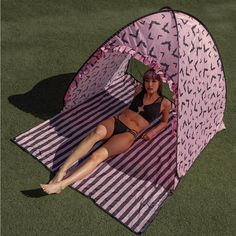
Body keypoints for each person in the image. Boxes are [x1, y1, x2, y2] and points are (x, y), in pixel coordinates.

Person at [40, 68, 172, 194]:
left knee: (96, 156)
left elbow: (164, 122)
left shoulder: (165, 103)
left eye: (154, 81)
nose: (150, 84)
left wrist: (152, 132)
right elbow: (129, 106)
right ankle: (62, 171)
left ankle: (62, 185)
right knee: (95, 134)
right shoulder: (138, 90)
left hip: (129, 133)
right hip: (116, 121)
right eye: (147, 80)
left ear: (160, 83)